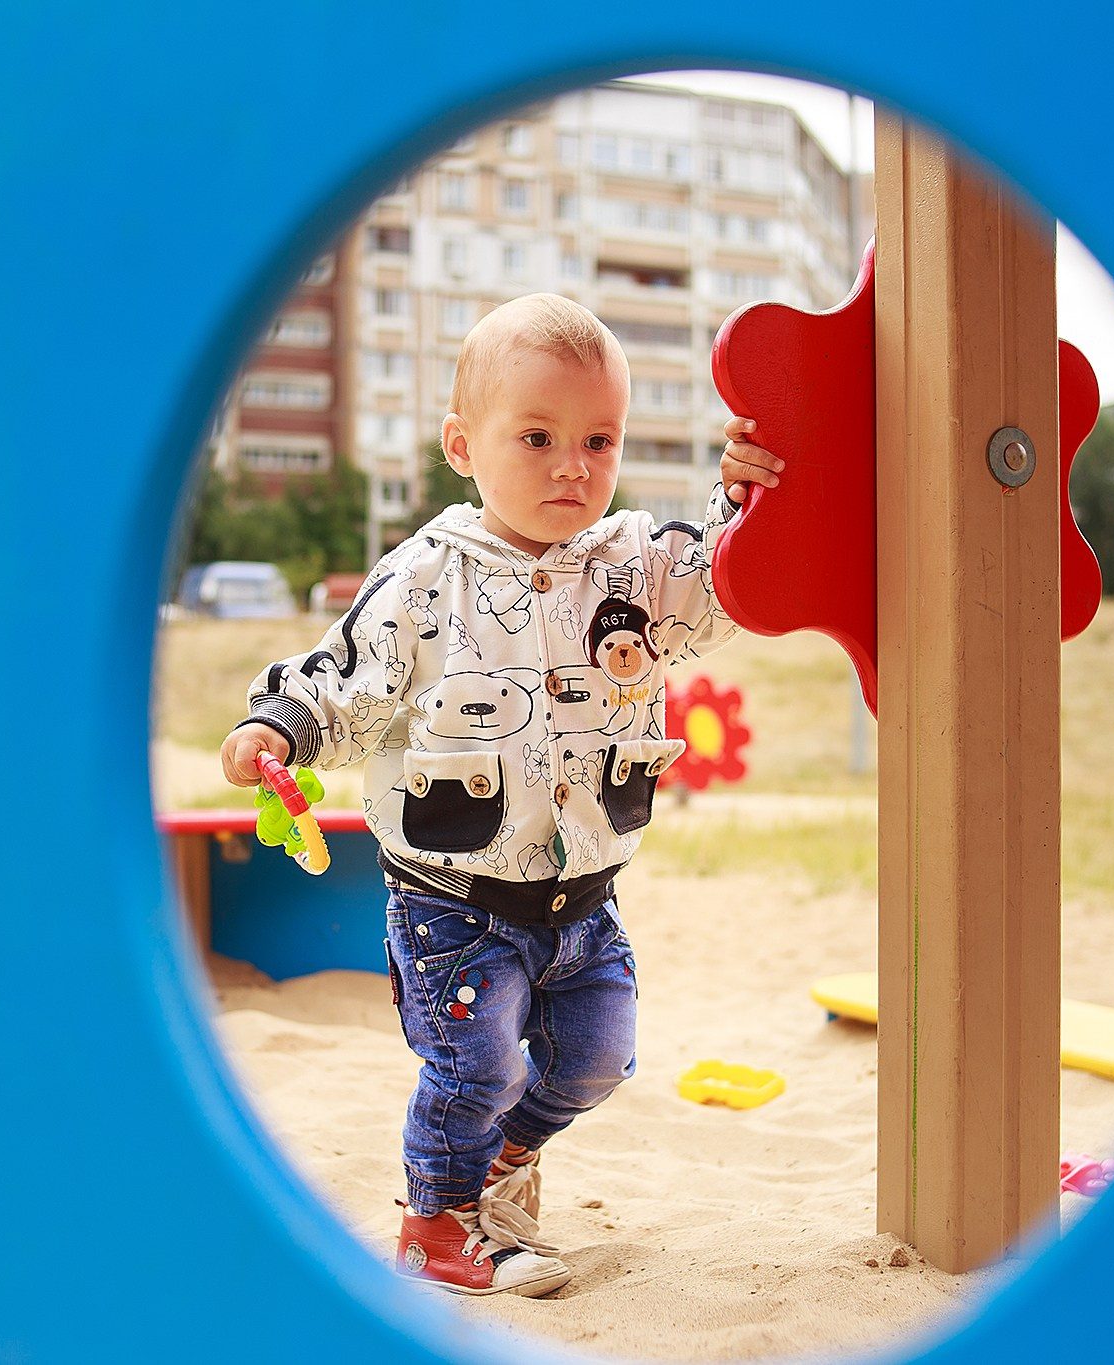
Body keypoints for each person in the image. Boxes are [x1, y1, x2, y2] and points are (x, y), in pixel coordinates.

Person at [219, 294, 782, 1298]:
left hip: (582, 899)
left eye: (597, 440)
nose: (572, 465)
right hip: (450, 904)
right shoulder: (423, 580)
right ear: (461, 445)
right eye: (536, 437)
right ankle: (433, 1226)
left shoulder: (634, 566)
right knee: (475, 1070)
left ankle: (500, 1162)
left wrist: (744, 502)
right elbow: (343, 677)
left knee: (597, 1061)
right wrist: (280, 726)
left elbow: (721, 586)